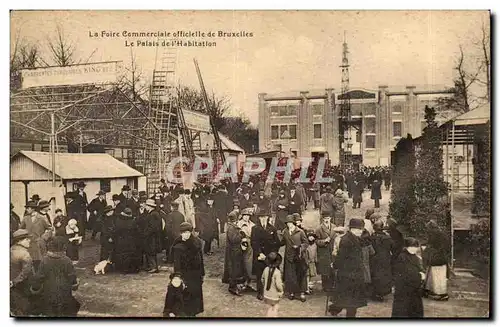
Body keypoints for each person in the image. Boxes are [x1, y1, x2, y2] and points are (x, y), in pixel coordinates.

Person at [31, 236, 80, 317]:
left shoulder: (45, 260)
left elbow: (39, 277)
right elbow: (72, 276)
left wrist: (35, 288)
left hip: (48, 292)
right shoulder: (67, 260)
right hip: (65, 292)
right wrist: (75, 284)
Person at [328, 218, 367, 318]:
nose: (361, 231)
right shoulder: (346, 240)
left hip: (354, 275)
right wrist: (335, 265)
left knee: (348, 301)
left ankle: (334, 309)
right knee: (351, 303)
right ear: (352, 229)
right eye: (359, 229)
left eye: (361, 229)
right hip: (348, 275)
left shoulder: (355, 238)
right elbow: (341, 257)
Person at [171, 222, 205, 317]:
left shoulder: (196, 243)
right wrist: (178, 277)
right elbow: (176, 265)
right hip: (185, 275)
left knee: (195, 297)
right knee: (184, 296)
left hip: (195, 274)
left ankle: (193, 313)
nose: (186, 234)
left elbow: (200, 259)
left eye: (188, 232)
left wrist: (202, 274)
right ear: (181, 233)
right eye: (184, 232)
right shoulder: (178, 246)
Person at [251, 212, 282, 300]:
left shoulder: (272, 228)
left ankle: (270, 291)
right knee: (260, 275)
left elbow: (277, 243)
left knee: (271, 273)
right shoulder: (255, 228)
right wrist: (259, 253)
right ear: (259, 218)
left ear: (268, 218)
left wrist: (273, 254)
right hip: (260, 256)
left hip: (270, 256)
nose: (263, 219)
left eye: (265, 217)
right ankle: (260, 292)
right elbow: (253, 242)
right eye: (261, 217)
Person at [392, 237, 425, 318]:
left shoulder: (415, 257)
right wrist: (419, 275)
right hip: (404, 288)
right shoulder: (402, 257)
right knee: (403, 310)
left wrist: (422, 272)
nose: (414, 249)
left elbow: (418, 268)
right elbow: (406, 272)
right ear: (406, 247)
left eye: (416, 247)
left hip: (414, 288)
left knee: (414, 308)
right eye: (412, 247)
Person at [20, 200, 53, 272]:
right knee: (31, 262)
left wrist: (43, 238)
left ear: (32, 209)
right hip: (29, 244)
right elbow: (20, 230)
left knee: (41, 262)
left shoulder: (41, 218)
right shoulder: (25, 218)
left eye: (28, 208)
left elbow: (50, 229)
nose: (26, 210)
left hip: (39, 244)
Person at [422, 220, 450, 301]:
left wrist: (429, 249)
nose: (427, 230)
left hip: (437, 258)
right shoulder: (439, 233)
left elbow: (432, 244)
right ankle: (430, 290)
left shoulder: (435, 234)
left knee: (437, 276)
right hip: (440, 257)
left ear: (431, 228)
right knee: (434, 275)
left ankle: (441, 293)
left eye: (428, 228)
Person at [282, 215, 308, 302]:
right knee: (291, 275)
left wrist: (300, 247)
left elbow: (306, 242)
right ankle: (292, 292)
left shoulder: (300, 232)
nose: (289, 225)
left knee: (301, 274)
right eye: (287, 223)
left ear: (294, 223)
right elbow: (282, 241)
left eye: (291, 223)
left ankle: (302, 293)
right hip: (289, 256)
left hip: (299, 256)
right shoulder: (285, 232)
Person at [10, 229, 34, 316]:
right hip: (23, 286)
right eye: (27, 239)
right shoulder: (25, 254)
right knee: (24, 309)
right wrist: (15, 282)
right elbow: (26, 273)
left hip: (12, 285)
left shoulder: (11, 249)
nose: (29, 241)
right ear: (19, 241)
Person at [222, 211, 246, 296]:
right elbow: (234, 239)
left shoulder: (231, 226)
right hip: (233, 251)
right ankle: (232, 287)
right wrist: (241, 235)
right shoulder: (232, 228)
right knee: (233, 269)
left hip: (234, 251)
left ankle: (234, 286)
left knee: (235, 269)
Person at [370, 220, 394, 301]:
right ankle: (382, 293)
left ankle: (375, 293)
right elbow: (392, 246)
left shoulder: (372, 237)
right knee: (384, 275)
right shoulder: (387, 237)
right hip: (385, 258)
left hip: (375, 258)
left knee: (375, 275)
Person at [113, 208, 141, 274]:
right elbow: (136, 230)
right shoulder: (132, 221)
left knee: (122, 254)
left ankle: (123, 269)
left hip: (121, 240)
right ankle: (132, 269)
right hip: (130, 240)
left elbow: (116, 230)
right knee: (131, 254)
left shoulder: (118, 220)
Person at [315, 215, 336, 292]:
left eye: (328, 218)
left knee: (333, 267)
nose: (327, 220)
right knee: (324, 269)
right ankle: (325, 286)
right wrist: (324, 241)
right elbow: (316, 241)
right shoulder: (319, 229)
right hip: (323, 251)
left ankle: (332, 284)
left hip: (332, 250)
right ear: (322, 219)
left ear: (330, 218)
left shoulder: (334, 227)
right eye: (325, 218)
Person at [237, 208, 256, 291]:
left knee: (250, 262)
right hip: (242, 245)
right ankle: (242, 281)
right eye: (245, 216)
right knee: (242, 263)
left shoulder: (252, 224)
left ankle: (249, 280)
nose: (247, 217)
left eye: (248, 216)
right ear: (242, 216)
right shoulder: (239, 224)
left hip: (251, 245)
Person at [142, 199, 163, 273]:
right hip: (154, 236)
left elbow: (152, 227)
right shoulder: (155, 213)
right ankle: (153, 266)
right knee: (151, 251)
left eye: (146, 206)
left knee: (151, 251)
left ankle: (154, 267)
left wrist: (145, 234)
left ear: (149, 207)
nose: (145, 207)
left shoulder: (152, 214)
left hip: (151, 237)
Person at [262, 252, 284, 318]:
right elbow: (278, 284)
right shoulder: (277, 272)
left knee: (269, 309)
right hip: (274, 295)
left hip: (266, 294)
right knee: (275, 309)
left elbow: (262, 280)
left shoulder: (266, 269)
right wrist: (281, 291)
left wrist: (265, 286)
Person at [304, 230, 318, 294]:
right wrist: (307, 261)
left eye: (312, 237)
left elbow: (315, 254)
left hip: (312, 262)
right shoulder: (306, 245)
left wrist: (315, 260)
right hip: (307, 262)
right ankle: (306, 288)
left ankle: (308, 286)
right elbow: (305, 254)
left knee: (311, 275)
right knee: (307, 275)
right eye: (310, 237)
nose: (311, 238)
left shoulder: (315, 245)